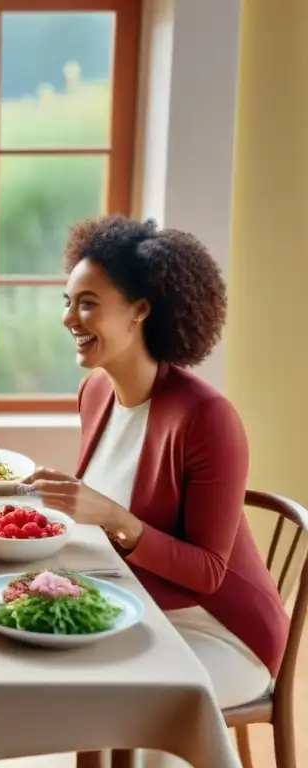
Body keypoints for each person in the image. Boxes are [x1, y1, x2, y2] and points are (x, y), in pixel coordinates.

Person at [23, 217, 289, 766]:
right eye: (68, 301)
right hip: (139, 607)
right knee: (51, 666)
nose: (70, 318)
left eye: (89, 303)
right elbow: (103, 511)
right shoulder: (95, 392)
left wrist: (114, 518)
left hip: (218, 629)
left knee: (120, 692)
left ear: (140, 310)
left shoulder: (206, 418)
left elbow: (209, 572)